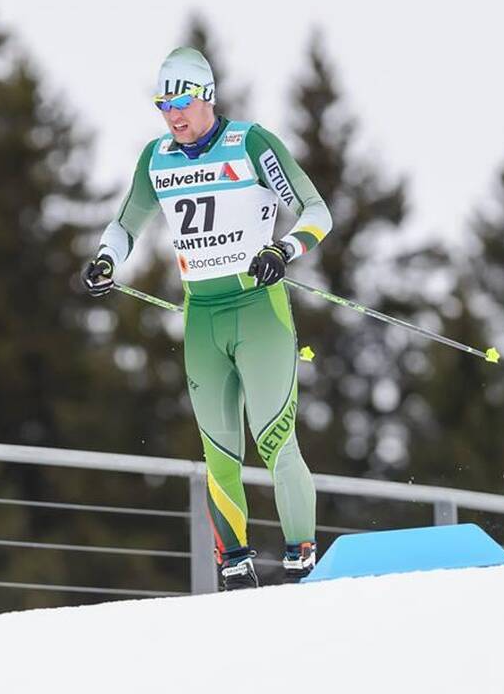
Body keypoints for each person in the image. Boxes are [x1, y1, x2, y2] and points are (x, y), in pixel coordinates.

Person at [82, 47, 332, 590]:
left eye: (184, 103)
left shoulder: (251, 143)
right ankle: (235, 565)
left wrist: (283, 251)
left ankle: (300, 559)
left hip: (258, 312)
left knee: (276, 440)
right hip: (202, 319)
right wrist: (105, 259)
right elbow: (125, 224)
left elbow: (317, 211)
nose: (174, 116)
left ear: (208, 97)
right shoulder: (157, 158)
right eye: (164, 105)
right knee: (218, 452)